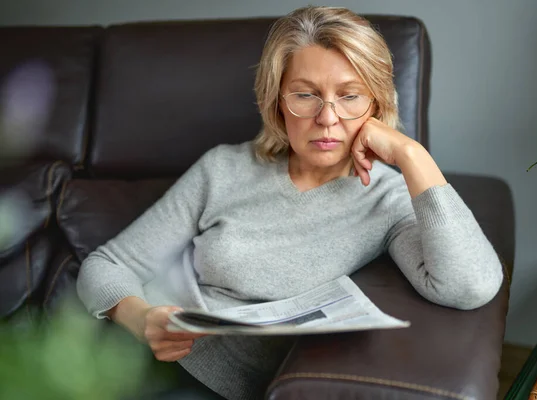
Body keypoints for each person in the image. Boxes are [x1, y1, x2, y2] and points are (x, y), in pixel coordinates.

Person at [76, 5, 503, 400]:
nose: (328, 118)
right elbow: (105, 265)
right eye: (305, 94)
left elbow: (469, 286)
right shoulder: (223, 169)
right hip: (142, 367)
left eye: (350, 95)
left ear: (377, 104)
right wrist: (139, 319)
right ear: (277, 103)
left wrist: (413, 155)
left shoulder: (387, 199)